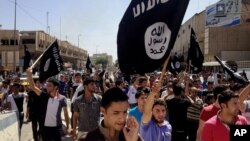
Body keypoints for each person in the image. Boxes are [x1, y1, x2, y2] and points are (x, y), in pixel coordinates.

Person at [27, 68, 70, 141]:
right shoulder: (44, 96)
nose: (47, 87)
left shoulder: (62, 99)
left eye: (49, 85)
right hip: (45, 129)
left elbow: (66, 114)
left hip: (57, 128)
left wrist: (68, 127)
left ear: (55, 87)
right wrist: (29, 75)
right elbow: (33, 87)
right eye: (47, 85)